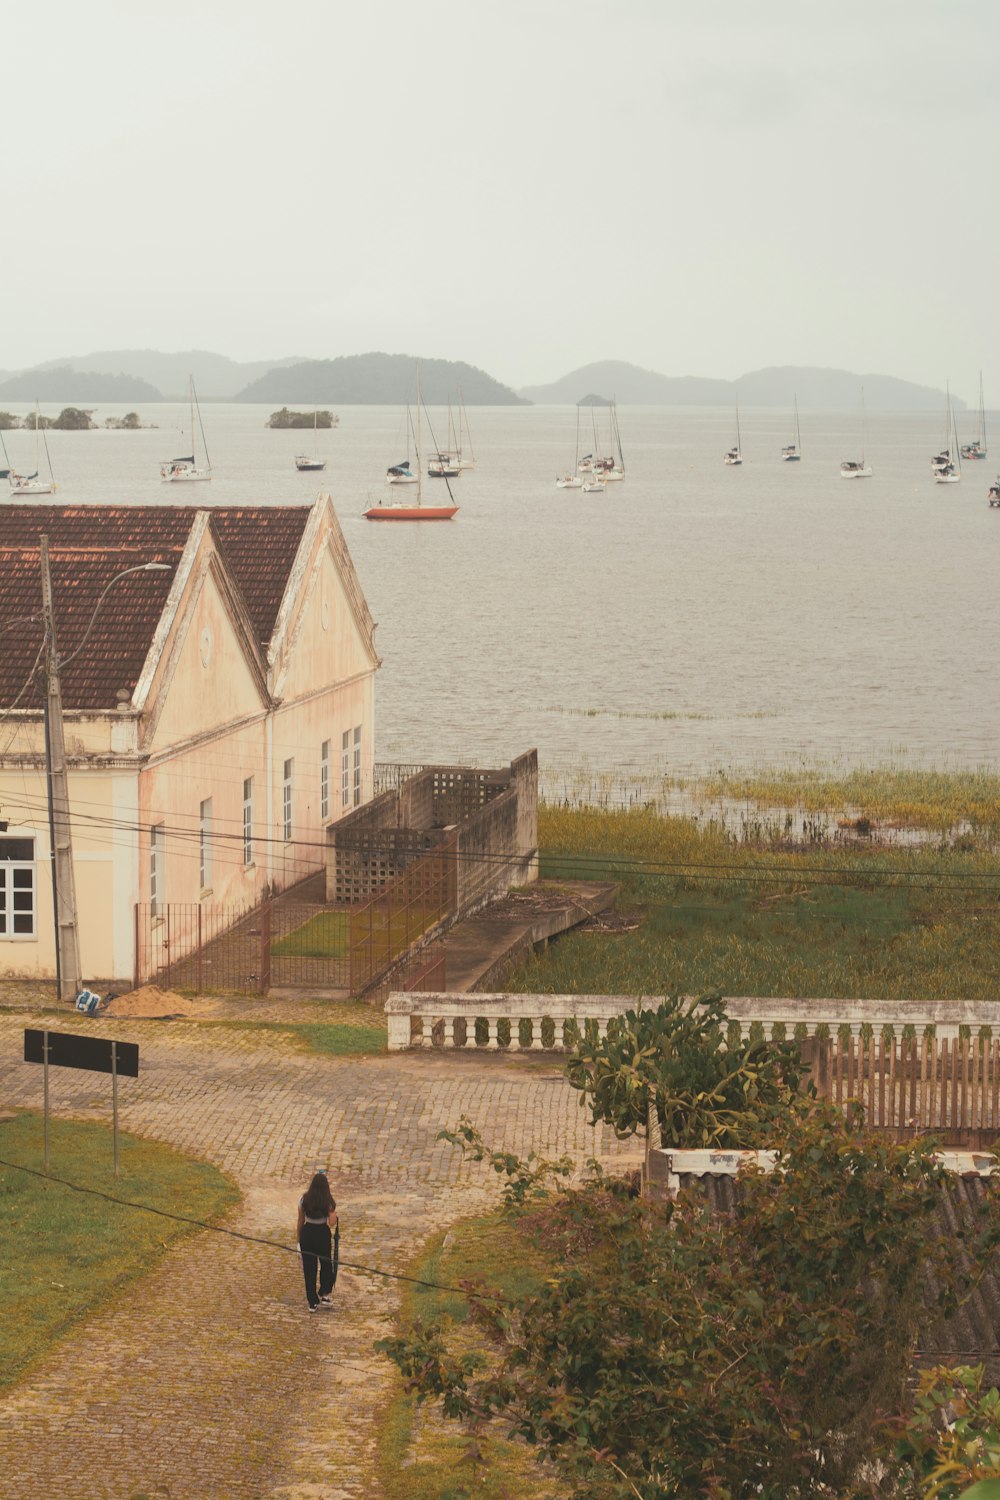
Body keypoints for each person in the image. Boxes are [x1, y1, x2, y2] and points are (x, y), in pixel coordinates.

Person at [297, 1171, 339, 1312]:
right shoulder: (328, 1202)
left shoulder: (304, 1200)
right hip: (322, 1234)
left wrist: (298, 1239)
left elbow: (300, 1220)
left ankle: (312, 1302)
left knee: (309, 1268)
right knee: (326, 1264)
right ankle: (325, 1294)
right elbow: (332, 1223)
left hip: (307, 1234)